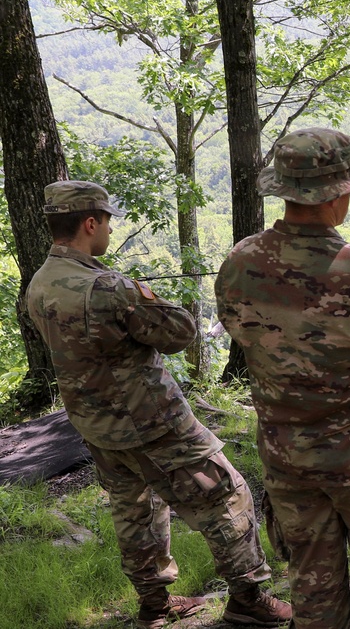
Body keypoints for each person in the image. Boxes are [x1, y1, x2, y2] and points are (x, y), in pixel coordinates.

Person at [26, 180, 291, 629]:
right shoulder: (108, 287)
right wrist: (140, 293)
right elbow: (179, 333)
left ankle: (154, 606)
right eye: (107, 220)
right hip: (152, 422)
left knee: (136, 510)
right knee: (226, 494)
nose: (109, 227)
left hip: (95, 425)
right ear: (90, 223)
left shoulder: (39, 284)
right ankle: (249, 599)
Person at [215, 127, 350, 629]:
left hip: (289, 457)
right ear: (338, 194)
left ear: (286, 191)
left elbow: (241, 331)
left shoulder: (239, 264)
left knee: (313, 592)